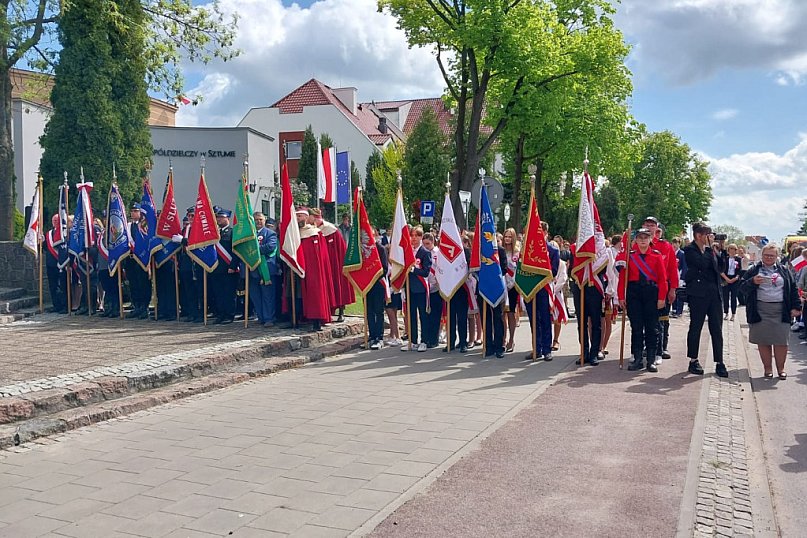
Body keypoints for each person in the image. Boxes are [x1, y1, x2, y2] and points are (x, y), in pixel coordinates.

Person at [739, 244, 801, 379]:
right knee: (763, 340)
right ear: (762, 256)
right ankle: (767, 369)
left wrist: (796, 307)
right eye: (766, 255)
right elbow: (742, 288)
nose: (768, 258)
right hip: (760, 310)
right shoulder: (753, 270)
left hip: (781, 310)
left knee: (781, 341)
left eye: (771, 255)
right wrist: (753, 282)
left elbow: (793, 288)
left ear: (776, 257)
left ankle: (781, 369)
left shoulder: (784, 270)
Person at [618, 228, 668, 372]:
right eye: (640, 237)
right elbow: (623, 278)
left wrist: (661, 297)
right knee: (637, 327)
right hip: (634, 294)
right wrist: (621, 296)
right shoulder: (630, 256)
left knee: (652, 328)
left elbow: (662, 280)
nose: (642, 240)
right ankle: (638, 358)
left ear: (650, 239)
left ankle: (651, 360)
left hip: (651, 293)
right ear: (636, 240)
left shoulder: (656, 256)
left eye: (645, 237)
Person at [683, 222, 728, 377]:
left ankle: (719, 361)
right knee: (696, 327)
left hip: (714, 294)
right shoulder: (689, 250)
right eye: (707, 234)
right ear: (698, 235)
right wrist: (710, 249)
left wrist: (721, 252)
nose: (710, 237)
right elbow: (701, 264)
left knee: (717, 328)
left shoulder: (711, 250)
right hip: (698, 294)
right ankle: (693, 360)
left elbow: (721, 268)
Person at [523, 222, 560, 361]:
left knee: (545, 319)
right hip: (530, 289)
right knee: (534, 320)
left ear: (544, 232)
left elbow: (554, 271)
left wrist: (540, 272)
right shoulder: (526, 250)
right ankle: (536, 348)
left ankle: (546, 349)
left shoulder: (552, 250)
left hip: (544, 288)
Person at [313, 208, 354, 322]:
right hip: (321, 263)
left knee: (338, 284)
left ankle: (341, 311)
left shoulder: (331, 230)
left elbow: (340, 249)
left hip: (334, 263)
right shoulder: (312, 230)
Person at [297, 207, 333, 331]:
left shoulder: (315, 233)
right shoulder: (297, 233)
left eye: (300, 216)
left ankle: (317, 321)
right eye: (296, 217)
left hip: (315, 270)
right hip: (302, 269)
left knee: (316, 294)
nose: (298, 219)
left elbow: (322, 254)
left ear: (306, 217)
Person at [403, 226, 432, 352]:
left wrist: (414, 269)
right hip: (410, 288)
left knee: (423, 315)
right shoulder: (407, 252)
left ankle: (424, 340)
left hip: (420, 288)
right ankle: (413, 340)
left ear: (421, 237)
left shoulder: (425, 253)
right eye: (412, 235)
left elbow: (426, 272)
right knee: (411, 315)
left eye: (416, 236)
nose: (414, 238)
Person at [209, 209, 239, 324]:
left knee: (229, 293)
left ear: (228, 218)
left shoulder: (232, 232)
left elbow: (236, 251)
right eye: (218, 217)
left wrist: (233, 266)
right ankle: (220, 314)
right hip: (216, 268)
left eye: (222, 217)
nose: (219, 219)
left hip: (229, 268)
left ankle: (229, 315)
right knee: (218, 293)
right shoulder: (215, 234)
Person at [250, 212, 279, 327]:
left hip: (267, 269)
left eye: (260, 219)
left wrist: (253, 251)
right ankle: (261, 317)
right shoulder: (250, 235)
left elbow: (270, 247)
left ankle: (268, 318)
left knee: (268, 296)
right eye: (256, 219)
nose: (258, 221)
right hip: (253, 269)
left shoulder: (270, 233)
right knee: (255, 296)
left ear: (264, 220)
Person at [125, 203, 151, 319]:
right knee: (133, 283)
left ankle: (144, 306)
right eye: (132, 211)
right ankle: (137, 305)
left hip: (141, 258)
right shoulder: (128, 226)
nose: (133, 213)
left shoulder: (144, 226)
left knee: (143, 283)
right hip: (130, 258)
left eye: (136, 211)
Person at [367, 234, 389, 350]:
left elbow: (385, 268)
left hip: (378, 285)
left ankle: (379, 337)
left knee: (378, 311)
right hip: (366, 285)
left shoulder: (380, 249)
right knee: (369, 311)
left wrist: (373, 276)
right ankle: (371, 335)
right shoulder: (363, 250)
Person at [44, 214, 68, 313]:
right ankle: (56, 305)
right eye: (53, 220)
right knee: (53, 286)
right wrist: (40, 241)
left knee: (63, 286)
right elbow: (45, 248)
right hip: (50, 264)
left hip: (62, 263)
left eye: (57, 220)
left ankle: (65, 306)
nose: (55, 222)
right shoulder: (48, 234)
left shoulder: (64, 233)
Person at [422, 232, 442, 348]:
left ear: (433, 242)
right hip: (425, 287)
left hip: (435, 288)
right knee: (426, 315)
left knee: (435, 314)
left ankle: (434, 339)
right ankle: (427, 338)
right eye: (424, 244)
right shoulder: (423, 253)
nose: (426, 246)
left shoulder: (438, 253)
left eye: (428, 244)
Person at [502, 228, 519, 353]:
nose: (507, 239)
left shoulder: (517, 253)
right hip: (502, 286)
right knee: (502, 314)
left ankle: (511, 339)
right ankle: (503, 338)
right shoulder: (500, 251)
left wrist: (512, 283)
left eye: (509, 237)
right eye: (505, 236)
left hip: (513, 287)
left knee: (511, 313)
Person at [720, 243, 743, 321]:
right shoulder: (724, 259)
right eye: (731, 249)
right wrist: (726, 279)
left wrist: (736, 278)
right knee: (725, 297)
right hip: (726, 279)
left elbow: (740, 270)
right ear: (728, 250)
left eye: (734, 249)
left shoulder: (738, 259)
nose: (733, 251)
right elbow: (721, 270)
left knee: (733, 297)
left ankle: (733, 314)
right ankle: (726, 313)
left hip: (735, 280)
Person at [671, 237, 687, 317]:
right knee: (673, 291)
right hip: (672, 275)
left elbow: (684, 266)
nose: (674, 245)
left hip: (679, 275)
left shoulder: (682, 253)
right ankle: (674, 309)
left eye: (676, 243)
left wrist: (682, 278)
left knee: (679, 293)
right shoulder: (671, 252)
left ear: (679, 244)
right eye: (673, 243)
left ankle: (679, 310)